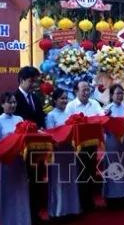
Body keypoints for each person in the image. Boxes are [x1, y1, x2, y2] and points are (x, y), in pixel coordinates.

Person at [0, 91, 30, 225]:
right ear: (2, 104)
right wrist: (9, 143)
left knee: (21, 190)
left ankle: (22, 219)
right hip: (7, 161)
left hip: (19, 159)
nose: (13, 105)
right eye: (9, 102)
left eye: (14, 102)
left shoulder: (19, 119)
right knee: (8, 192)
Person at [64, 81, 104, 212]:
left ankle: (89, 201)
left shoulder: (95, 103)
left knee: (91, 171)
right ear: (76, 91)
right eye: (84, 90)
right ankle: (80, 202)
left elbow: (102, 116)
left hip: (91, 144)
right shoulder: (70, 106)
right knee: (80, 173)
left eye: (88, 90)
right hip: (77, 146)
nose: (87, 93)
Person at [13, 66, 46, 224]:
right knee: (25, 181)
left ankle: (35, 213)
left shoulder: (36, 98)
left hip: (38, 147)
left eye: (35, 81)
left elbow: (41, 118)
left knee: (37, 180)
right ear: (21, 80)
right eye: (31, 81)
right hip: (23, 148)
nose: (34, 85)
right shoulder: (13, 98)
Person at [46, 89, 81, 221]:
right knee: (59, 182)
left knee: (70, 180)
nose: (65, 101)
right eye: (62, 98)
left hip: (69, 151)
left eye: (66, 98)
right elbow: (50, 134)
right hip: (57, 153)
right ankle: (58, 212)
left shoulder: (69, 115)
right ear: (54, 100)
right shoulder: (51, 116)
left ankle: (71, 209)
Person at [103, 84, 124, 209]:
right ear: (111, 95)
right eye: (117, 93)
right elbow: (103, 128)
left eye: (122, 93)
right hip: (112, 143)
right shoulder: (106, 110)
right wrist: (106, 118)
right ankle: (112, 197)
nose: (120, 96)